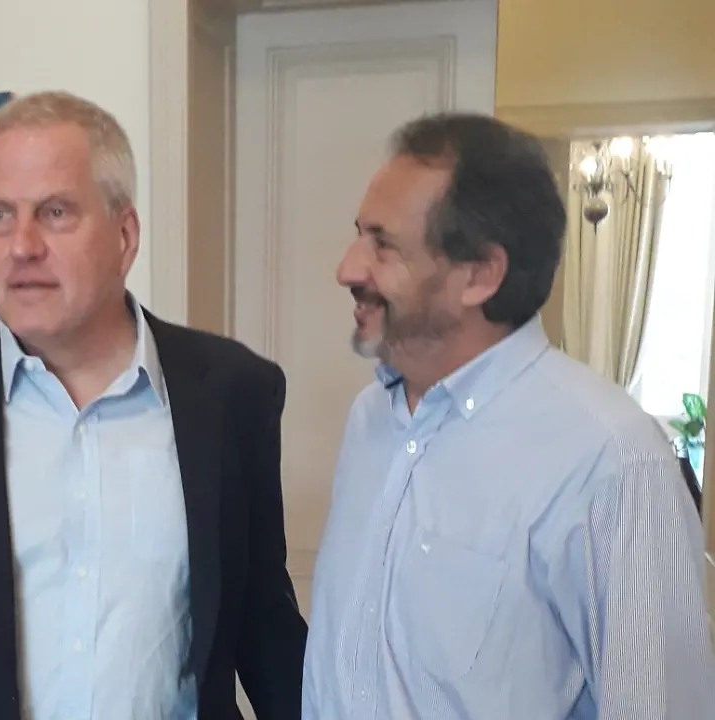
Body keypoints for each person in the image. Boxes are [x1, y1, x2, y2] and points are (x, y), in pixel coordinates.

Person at [0, 90, 307, 720]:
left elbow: (265, 629)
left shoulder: (232, 393)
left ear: (125, 236)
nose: (22, 245)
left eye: (55, 212)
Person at [301, 113, 715, 719]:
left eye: (383, 245)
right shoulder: (372, 419)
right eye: (360, 236)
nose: (348, 269)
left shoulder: (611, 460)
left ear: (480, 275)